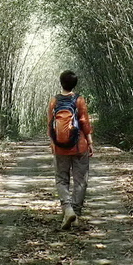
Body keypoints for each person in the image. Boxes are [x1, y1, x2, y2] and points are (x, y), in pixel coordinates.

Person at [47, 69, 94, 230]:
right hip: (79, 146)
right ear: (75, 84)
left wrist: (53, 143)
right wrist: (90, 142)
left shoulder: (54, 101)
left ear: (61, 83)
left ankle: (67, 209)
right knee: (80, 181)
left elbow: (50, 125)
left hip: (60, 147)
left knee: (61, 179)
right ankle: (76, 214)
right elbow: (84, 122)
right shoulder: (79, 100)